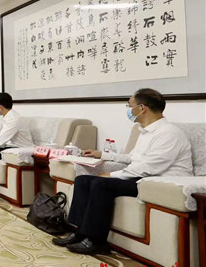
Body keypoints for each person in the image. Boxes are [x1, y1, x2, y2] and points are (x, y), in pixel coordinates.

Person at [53, 88, 193, 255]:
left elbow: (149, 168)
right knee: (83, 180)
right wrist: (103, 154)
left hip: (159, 183)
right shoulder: (146, 131)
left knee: (101, 184)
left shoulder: (169, 133)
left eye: (130, 106)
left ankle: (96, 241)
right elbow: (133, 158)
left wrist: (112, 175)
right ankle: (80, 232)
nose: (128, 110)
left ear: (142, 108)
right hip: (143, 178)